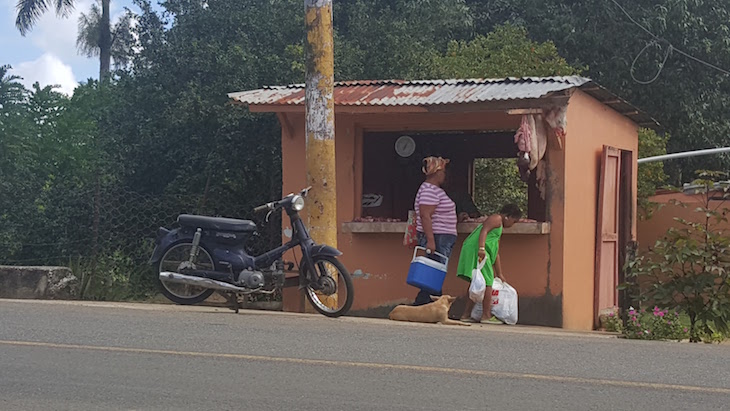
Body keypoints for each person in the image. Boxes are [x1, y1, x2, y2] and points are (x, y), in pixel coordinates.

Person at [456, 204, 522, 322]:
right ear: (508, 216)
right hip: (478, 251)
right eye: (514, 221)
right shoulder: (496, 219)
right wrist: (481, 248)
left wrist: (500, 273)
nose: (513, 225)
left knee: (477, 284)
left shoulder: (499, 229)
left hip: (480, 251)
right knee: (488, 283)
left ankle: (466, 315)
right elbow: (484, 231)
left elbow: (496, 253)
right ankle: (486, 315)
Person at [412, 156, 458, 306]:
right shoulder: (429, 190)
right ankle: (425, 303)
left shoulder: (433, 190)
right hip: (438, 237)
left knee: (435, 271)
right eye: (443, 172)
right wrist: (431, 241)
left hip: (441, 236)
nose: (445, 175)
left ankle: (431, 304)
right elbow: (425, 215)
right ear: (437, 173)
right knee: (434, 271)